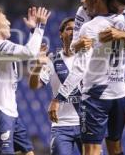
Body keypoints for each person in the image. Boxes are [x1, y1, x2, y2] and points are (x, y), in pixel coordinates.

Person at [49, 0, 125, 155]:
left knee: (92, 150)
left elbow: (79, 69)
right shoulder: (122, 22)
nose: (81, 0)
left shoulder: (91, 27)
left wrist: (58, 99)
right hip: (120, 94)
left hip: (96, 96)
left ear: (96, 0)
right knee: (115, 148)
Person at [72, 0, 125, 155]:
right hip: (95, 77)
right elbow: (74, 44)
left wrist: (123, 34)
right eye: (116, 7)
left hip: (117, 74)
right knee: (104, 142)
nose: (119, 12)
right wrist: (80, 44)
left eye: (123, 8)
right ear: (108, 0)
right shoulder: (84, 10)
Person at [0, 6, 51, 155]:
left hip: (11, 114)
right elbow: (29, 52)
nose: (9, 23)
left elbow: (30, 52)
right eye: (5, 19)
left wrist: (33, 31)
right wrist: (40, 26)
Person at [29, 17, 83, 155]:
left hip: (86, 123)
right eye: (69, 28)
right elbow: (34, 85)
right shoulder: (52, 60)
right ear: (61, 34)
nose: (72, 32)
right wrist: (38, 65)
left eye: (76, 29)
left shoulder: (87, 59)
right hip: (61, 125)